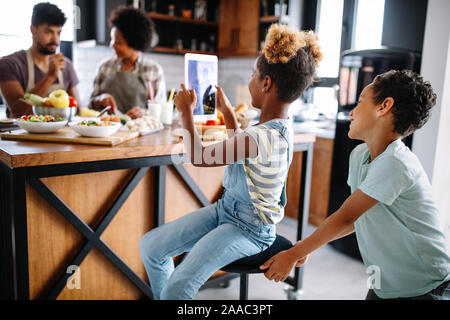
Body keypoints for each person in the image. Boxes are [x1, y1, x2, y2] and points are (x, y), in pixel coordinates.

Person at [139, 24, 323, 299]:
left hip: (250, 230)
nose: (250, 81)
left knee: (178, 287)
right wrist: (227, 113)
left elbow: (199, 157)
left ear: (266, 83)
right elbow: (244, 150)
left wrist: (185, 112)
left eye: (253, 75)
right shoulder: (280, 127)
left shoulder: (261, 136)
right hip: (226, 211)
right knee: (151, 246)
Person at [260, 69, 450, 300]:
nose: (352, 111)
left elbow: (346, 217)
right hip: (387, 284)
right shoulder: (360, 155)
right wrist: (305, 246)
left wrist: (294, 253)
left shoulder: (396, 163)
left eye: (360, 102)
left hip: (426, 286)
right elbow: (357, 218)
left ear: (384, 106)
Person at [0, 2, 80, 118]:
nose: (55, 40)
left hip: (61, 134)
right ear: (33, 30)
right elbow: (18, 112)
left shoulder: (66, 65)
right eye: (48, 32)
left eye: (59, 32)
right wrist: (50, 76)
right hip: (22, 135)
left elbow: (76, 110)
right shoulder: (9, 65)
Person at [89, 6, 166, 119]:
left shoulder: (153, 70)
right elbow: (90, 106)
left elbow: (161, 110)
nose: (112, 45)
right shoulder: (105, 67)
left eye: (118, 42)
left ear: (134, 43)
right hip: (109, 132)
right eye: (112, 40)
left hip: (141, 131)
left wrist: (145, 113)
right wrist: (99, 100)